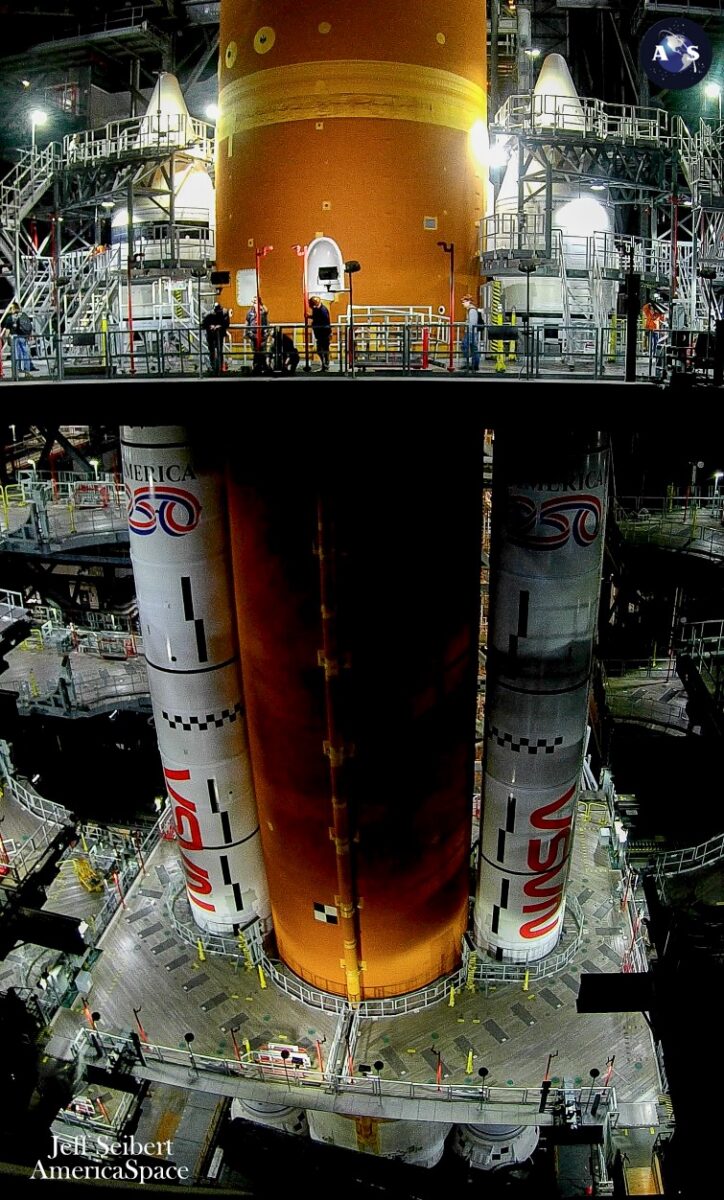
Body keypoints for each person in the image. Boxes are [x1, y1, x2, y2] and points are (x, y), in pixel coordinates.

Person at [201, 302, 230, 374]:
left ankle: (218, 367)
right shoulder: (209, 314)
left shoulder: (223, 313)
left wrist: (219, 326)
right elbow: (203, 324)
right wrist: (210, 326)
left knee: (219, 351)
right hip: (211, 335)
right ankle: (214, 367)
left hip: (218, 335)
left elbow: (227, 323)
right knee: (212, 351)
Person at [245, 299, 271, 373]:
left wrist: (261, 304)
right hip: (253, 335)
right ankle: (256, 367)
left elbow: (266, 311)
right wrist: (246, 332)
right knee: (255, 351)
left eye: (256, 302)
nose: (254, 303)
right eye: (254, 302)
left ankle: (263, 366)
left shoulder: (262, 311)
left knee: (263, 351)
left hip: (262, 335)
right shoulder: (250, 312)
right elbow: (247, 322)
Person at [309, 295, 331, 371]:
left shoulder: (323, 310)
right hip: (320, 333)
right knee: (322, 350)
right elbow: (317, 317)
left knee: (323, 349)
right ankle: (325, 365)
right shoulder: (317, 309)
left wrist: (316, 325)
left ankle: (326, 365)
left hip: (324, 333)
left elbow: (325, 321)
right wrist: (310, 317)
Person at [461, 294, 480, 371]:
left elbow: (471, 323)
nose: (463, 303)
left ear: (468, 301)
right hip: (472, 332)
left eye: (464, 302)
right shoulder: (472, 310)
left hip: (470, 332)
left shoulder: (471, 310)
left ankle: (471, 364)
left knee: (465, 346)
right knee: (473, 348)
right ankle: (474, 365)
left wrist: (466, 325)